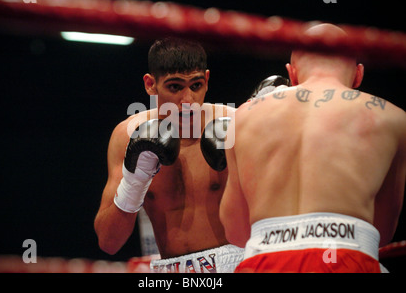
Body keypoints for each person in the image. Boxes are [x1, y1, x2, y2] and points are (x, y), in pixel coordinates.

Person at [220, 23, 406, 273]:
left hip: (264, 264)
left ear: (291, 73)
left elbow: (235, 231)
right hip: (347, 258)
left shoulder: (243, 117)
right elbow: (380, 232)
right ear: (359, 74)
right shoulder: (393, 119)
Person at [94, 37, 243, 273]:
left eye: (196, 86)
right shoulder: (128, 135)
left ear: (206, 80)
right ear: (150, 84)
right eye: (175, 87)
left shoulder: (237, 125)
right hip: (167, 272)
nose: (188, 101)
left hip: (234, 262)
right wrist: (136, 180)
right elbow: (109, 242)